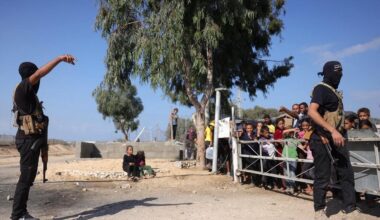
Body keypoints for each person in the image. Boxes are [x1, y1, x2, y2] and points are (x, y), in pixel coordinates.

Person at [11, 55, 75, 220]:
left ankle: (21, 213)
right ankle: (18, 215)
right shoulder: (23, 88)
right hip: (27, 141)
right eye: (34, 75)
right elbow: (39, 74)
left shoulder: (30, 95)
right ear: (29, 75)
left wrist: (44, 149)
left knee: (28, 178)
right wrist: (60, 59)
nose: (38, 79)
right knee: (25, 179)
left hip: (33, 141)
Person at [308, 61, 358, 219]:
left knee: (346, 172)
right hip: (322, 138)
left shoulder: (335, 92)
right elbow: (312, 112)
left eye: (341, 72)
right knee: (322, 175)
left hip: (337, 137)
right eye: (337, 72)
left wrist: (338, 131)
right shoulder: (320, 88)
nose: (340, 75)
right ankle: (319, 210)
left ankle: (350, 207)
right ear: (328, 73)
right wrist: (332, 131)